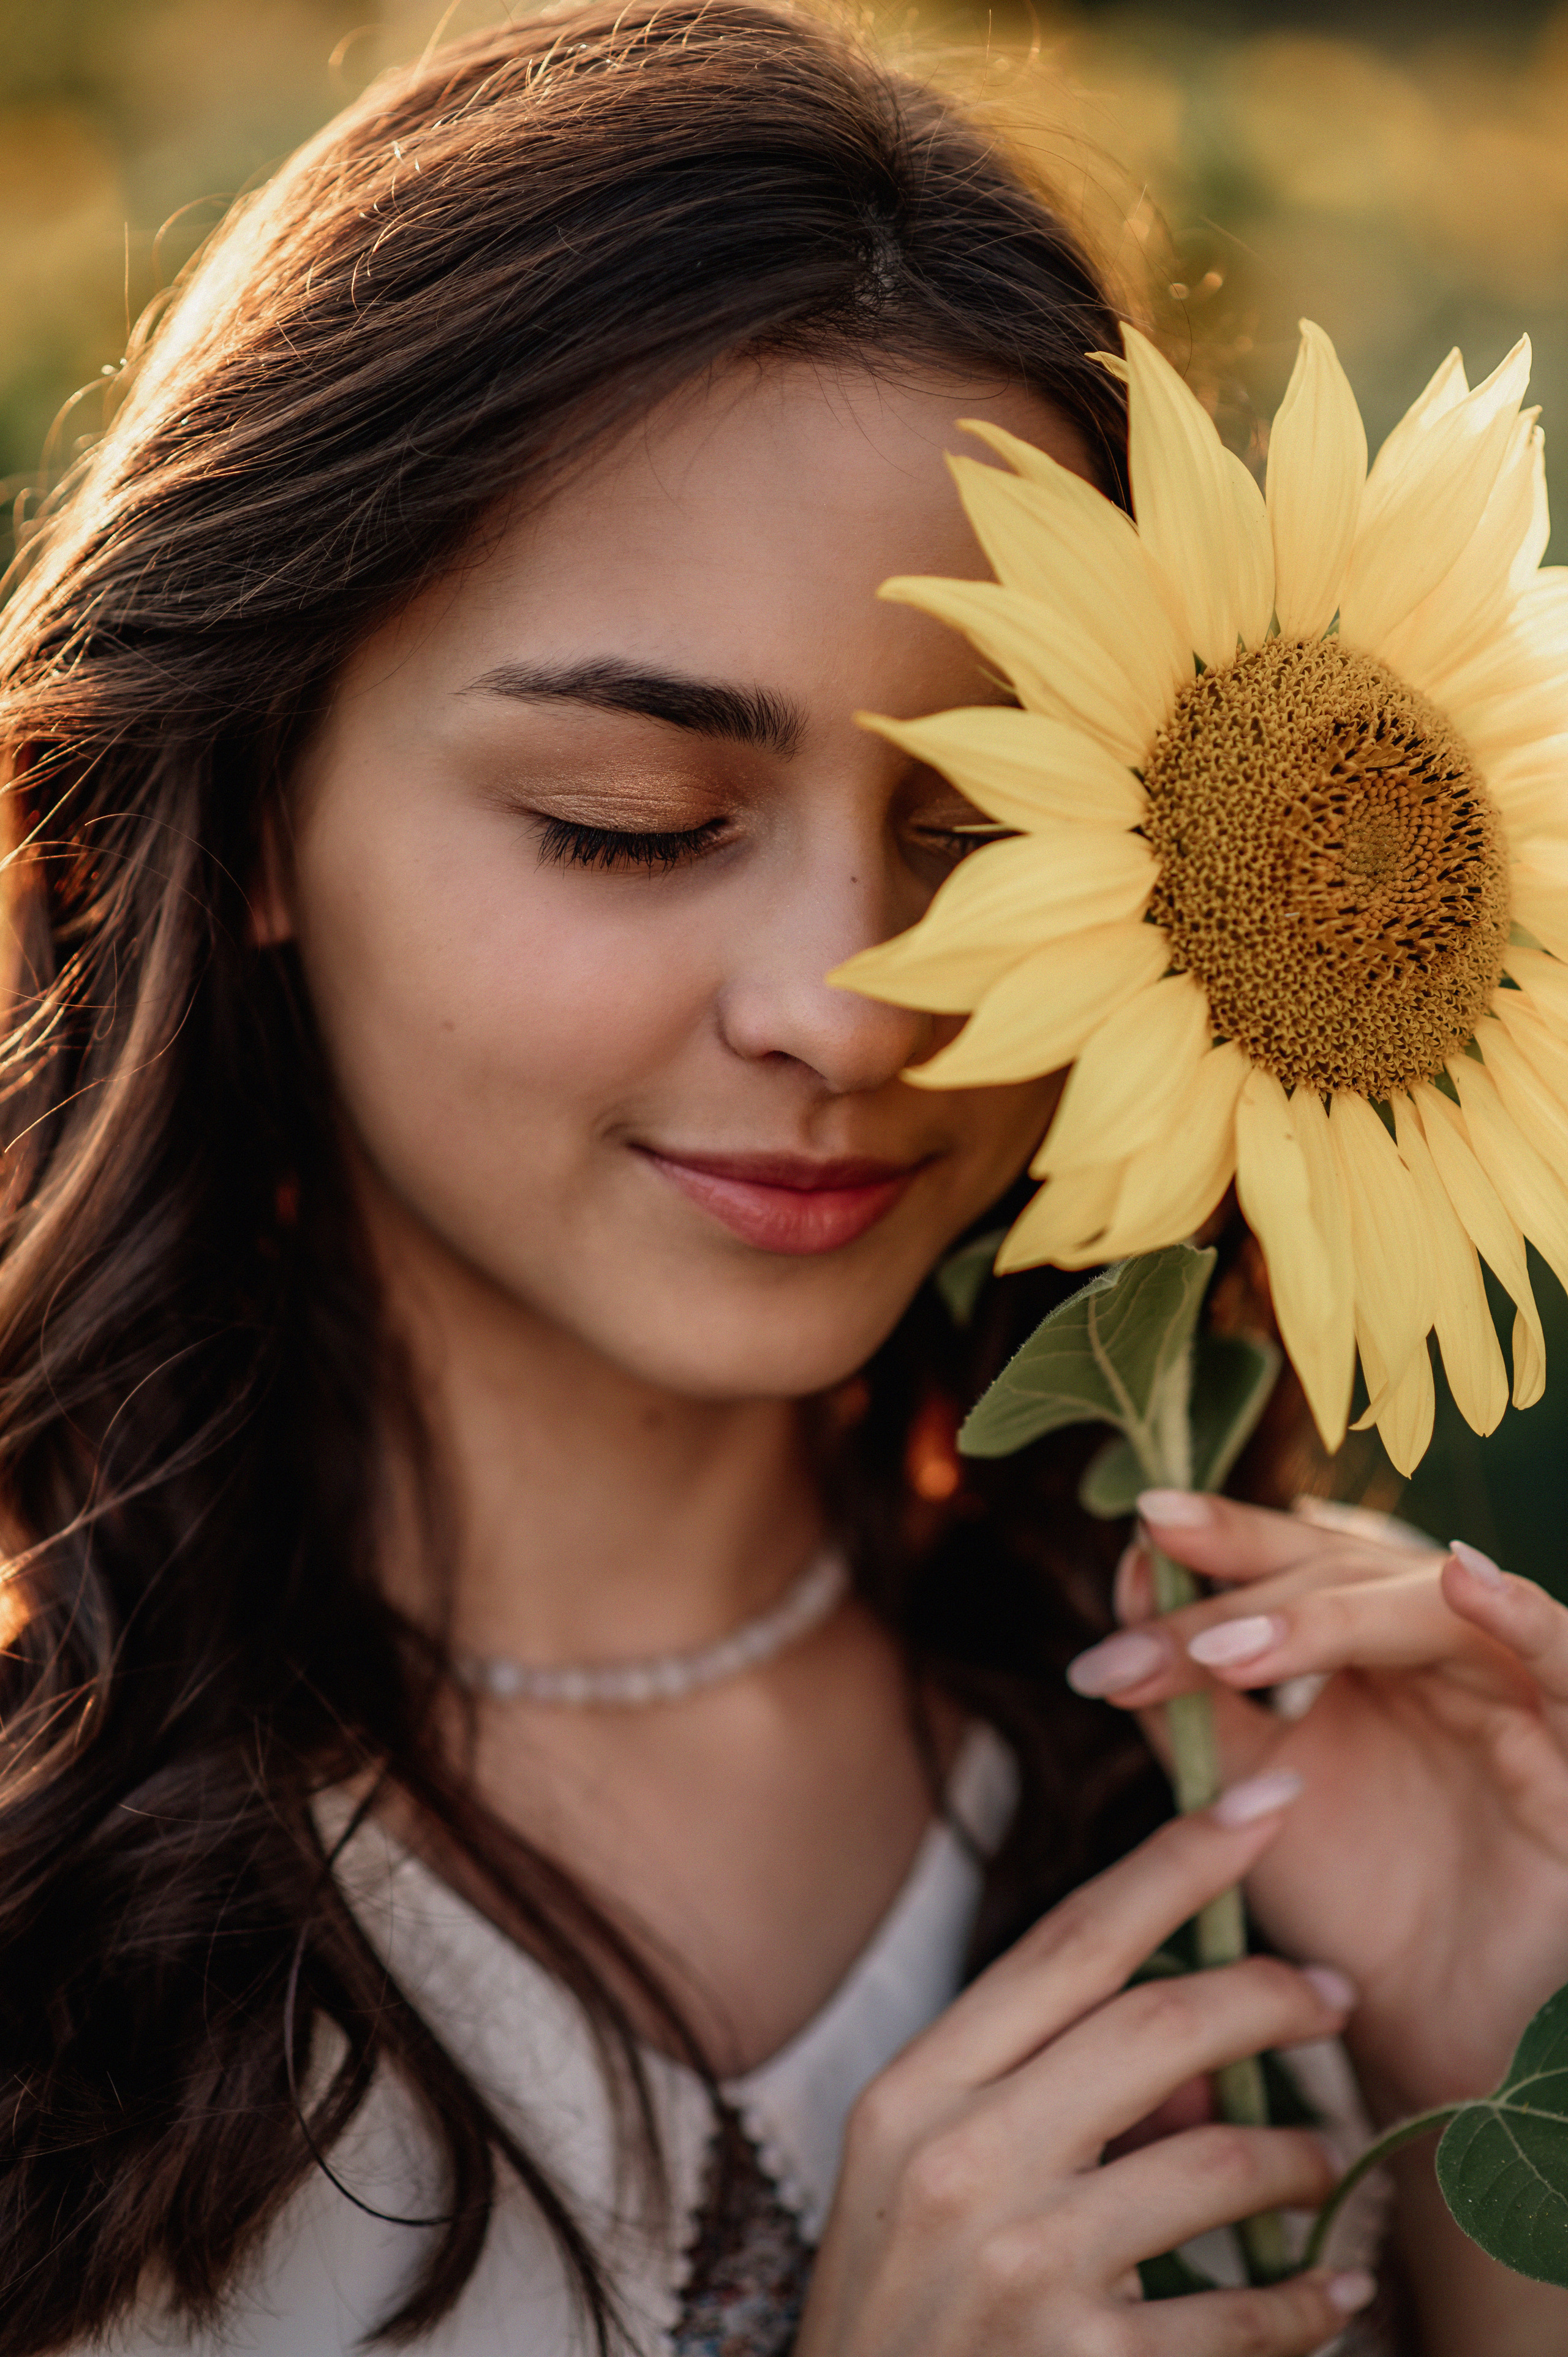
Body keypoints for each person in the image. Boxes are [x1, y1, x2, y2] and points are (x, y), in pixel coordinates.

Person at [2, 7, 1567, 2352]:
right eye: (626, 825)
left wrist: (1486, 2059)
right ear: (249, 819)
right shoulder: (55, 1878)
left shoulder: (1262, 1776)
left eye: (982, 838)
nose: (847, 1005)